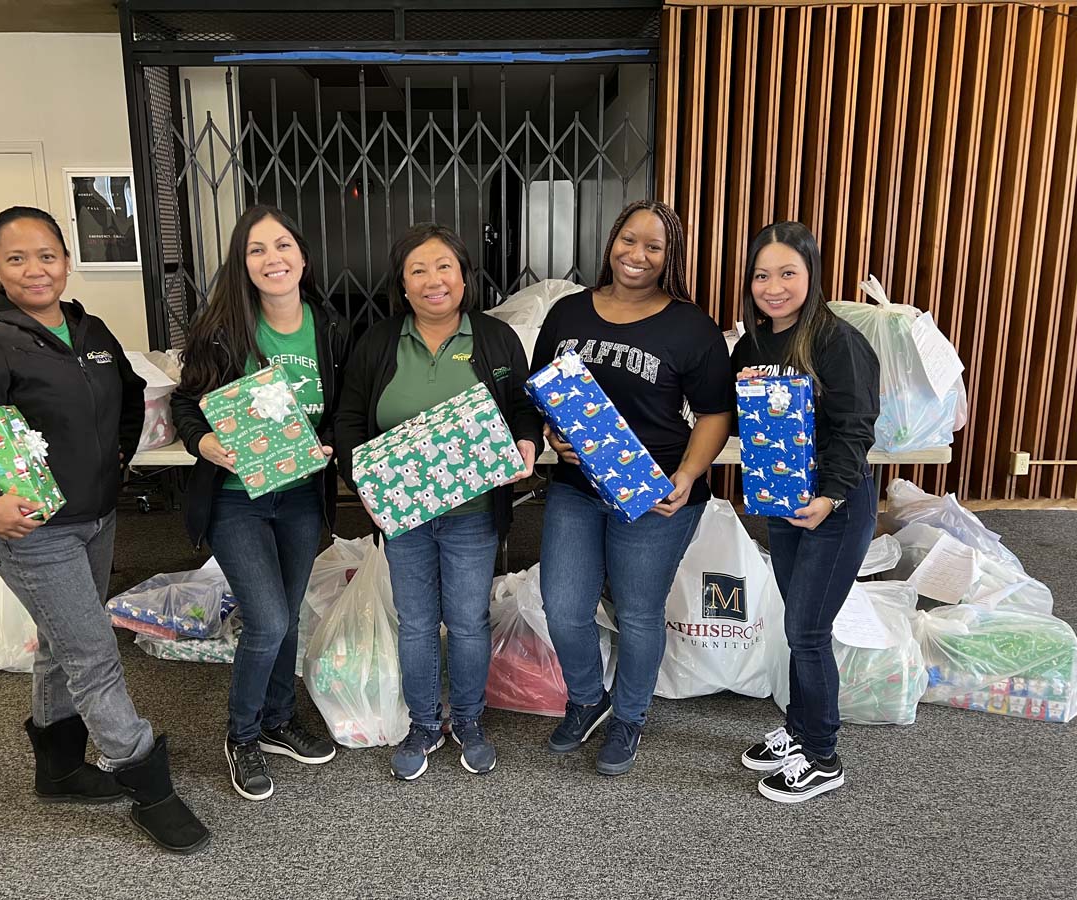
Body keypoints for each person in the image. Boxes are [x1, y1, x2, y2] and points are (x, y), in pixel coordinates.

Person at [0, 206, 208, 853]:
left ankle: (57, 768)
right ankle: (147, 784)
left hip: (94, 516)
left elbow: (132, 396)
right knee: (91, 652)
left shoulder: (89, 329)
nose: (35, 269)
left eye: (47, 254)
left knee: (60, 645)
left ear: (66, 259)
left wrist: (118, 456)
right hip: (31, 530)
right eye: (17, 258)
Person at [334, 223, 542, 781]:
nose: (433, 280)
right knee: (418, 622)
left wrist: (527, 440)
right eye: (418, 271)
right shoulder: (379, 342)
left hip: (472, 515)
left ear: (464, 275)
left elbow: (524, 408)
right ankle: (424, 724)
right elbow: (350, 421)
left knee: (469, 622)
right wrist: (366, 485)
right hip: (402, 516)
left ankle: (469, 720)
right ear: (403, 286)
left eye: (444, 266)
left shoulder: (495, 339)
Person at [534, 200, 734, 776]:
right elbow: (546, 391)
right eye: (629, 240)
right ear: (611, 242)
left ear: (669, 257)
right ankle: (587, 700)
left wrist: (689, 475)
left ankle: (629, 717)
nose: (637, 255)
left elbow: (716, 414)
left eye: (654, 246)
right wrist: (552, 432)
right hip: (576, 485)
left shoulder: (690, 326)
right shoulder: (568, 314)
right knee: (565, 606)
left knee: (638, 612)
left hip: (655, 491)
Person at [171, 205, 348, 802]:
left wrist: (334, 446)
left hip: (299, 496)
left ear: (301, 256)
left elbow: (345, 409)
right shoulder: (221, 328)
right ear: (242, 264)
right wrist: (208, 444)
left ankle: (277, 719)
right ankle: (241, 734)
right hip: (236, 498)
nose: (272, 259)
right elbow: (186, 405)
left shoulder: (328, 328)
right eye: (256, 250)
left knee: (289, 614)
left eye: (282, 246)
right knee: (268, 618)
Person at [731, 221, 879, 803]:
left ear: (812, 275)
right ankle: (798, 729)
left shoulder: (838, 342)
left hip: (834, 506)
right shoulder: (753, 342)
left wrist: (831, 497)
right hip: (783, 500)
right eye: (762, 275)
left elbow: (854, 428)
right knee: (799, 621)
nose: (774, 286)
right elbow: (735, 413)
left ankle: (822, 753)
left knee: (808, 630)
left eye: (787, 273)